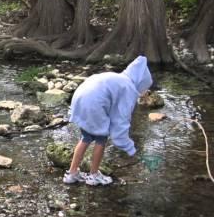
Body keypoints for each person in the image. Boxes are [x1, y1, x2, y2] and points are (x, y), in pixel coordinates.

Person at [64, 55, 153, 186]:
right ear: (140, 82)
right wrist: (129, 147)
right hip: (94, 103)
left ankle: (72, 174)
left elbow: (112, 110)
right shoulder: (128, 88)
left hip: (80, 97)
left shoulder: (118, 78)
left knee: (86, 137)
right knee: (101, 139)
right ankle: (93, 175)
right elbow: (121, 120)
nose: (142, 92)